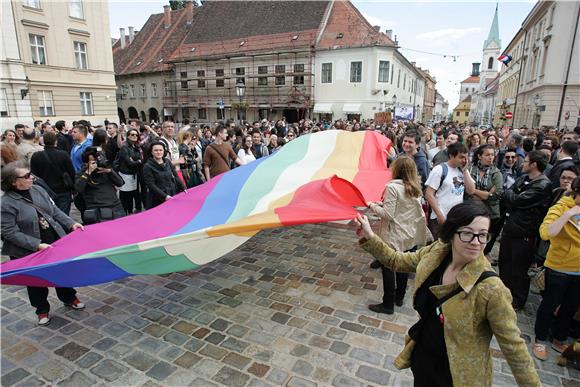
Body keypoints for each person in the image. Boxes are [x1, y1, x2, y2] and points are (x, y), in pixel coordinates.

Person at [354, 201, 540, 386]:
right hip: (424, 359)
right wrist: (369, 235)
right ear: (451, 233)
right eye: (467, 233)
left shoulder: (491, 289)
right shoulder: (437, 252)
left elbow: (514, 348)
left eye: (483, 235)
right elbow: (397, 261)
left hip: (457, 377)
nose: (476, 242)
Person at [1, 161, 85, 326]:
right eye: (26, 176)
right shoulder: (5, 204)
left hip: (52, 239)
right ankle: (41, 309)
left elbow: (53, 211)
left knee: (61, 271)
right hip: (28, 249)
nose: (31, 177)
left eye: (30, 173)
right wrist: (36, 245)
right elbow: (9, 232)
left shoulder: (38, 189)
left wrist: (70, 223)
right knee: (35, 281)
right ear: (13, 181)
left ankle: (69, 297)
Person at [366, 156, 432, 314]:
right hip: (409, 233)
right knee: (403, 265)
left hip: (394, 234)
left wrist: (372, 205)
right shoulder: (415, 187)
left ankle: (388, 303)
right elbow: (402, 207)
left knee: (388, 266)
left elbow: (388, 214)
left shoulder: (393, 187)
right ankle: (399, 297)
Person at [533, 177, 580, 361]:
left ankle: (559, 338)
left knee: (570, 307)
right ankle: (540, 339)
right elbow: (546, 233)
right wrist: (568, 215)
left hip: (578, 270)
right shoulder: (561, 207)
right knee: (549, 305)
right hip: (559, 267)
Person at [499, 150, 552, 311]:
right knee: (505, 263)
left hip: (524, 233)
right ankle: (503, 294)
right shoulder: (523, 178)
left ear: (534, 164)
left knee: (519, 269)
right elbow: (507, 194)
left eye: (526, 161)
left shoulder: (543, 185)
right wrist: (511, 196)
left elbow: (516, 199)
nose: (522, 163)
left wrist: (511, 196)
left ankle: (518, 300)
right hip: (510, 228)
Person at [425, 143, 475, 239]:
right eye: (461, 157)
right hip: (440, 218)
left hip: (455, 217)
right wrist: (440, 216)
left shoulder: (462, 170)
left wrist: (465, 171)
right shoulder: (439, 169)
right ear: (451, 156)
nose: (464, 160)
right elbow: (429, 194)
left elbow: (471, 190)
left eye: (466, 158)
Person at [469, 145, 503, 259]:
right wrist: (486, 194)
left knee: (484, 244)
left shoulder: (496, 173)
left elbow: (496, 195)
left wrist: (474, 191)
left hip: (490, 213)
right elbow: (466, 191)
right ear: (479, 156)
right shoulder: (470, 169)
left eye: (492, 155)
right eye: (487, 155)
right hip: (472, 210)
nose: (490, 157)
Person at [75, 147, 125, 224]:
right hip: (97, 208)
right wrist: (88, 172)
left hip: (115, 206)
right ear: (86, 163)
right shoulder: (82, 173)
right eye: (93, 161)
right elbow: (78, 188)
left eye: (97, 160)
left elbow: (120, 183)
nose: (96, 163)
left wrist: (110, 171)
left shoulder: (104, 169)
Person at [30, 132, 75, 215]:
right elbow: (71, 172)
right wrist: (73, 187)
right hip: (63, 189)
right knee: (63, 214)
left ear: (43, 142)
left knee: (49, 213)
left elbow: (34, 175)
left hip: (45, 189)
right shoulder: (63, 155)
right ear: (56, 141)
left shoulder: (36, 156)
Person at [143, 141, 186, 209]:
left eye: (160, 150)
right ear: (151, 152)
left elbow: (175, 175)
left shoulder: (167, 161)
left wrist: (183, 187)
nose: (158, 152)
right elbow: (151, 185)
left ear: (164, 151)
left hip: (172, 192)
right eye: (156, 150)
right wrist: (164, 196)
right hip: (158, 198)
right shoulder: (147, 166)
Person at [117, 128, 143, 214]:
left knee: (132, 194)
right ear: (128, 136)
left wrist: (136, 161)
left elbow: (141, 159)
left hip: (134, 174)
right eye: (132, 134)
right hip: (126, 174)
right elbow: (129, 163)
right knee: (125, 196)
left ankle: (130, 212)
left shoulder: (136, 147)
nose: (135, 136)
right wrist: (137, 161)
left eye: (136, 135)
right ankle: (125, 213)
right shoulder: (124, 147)